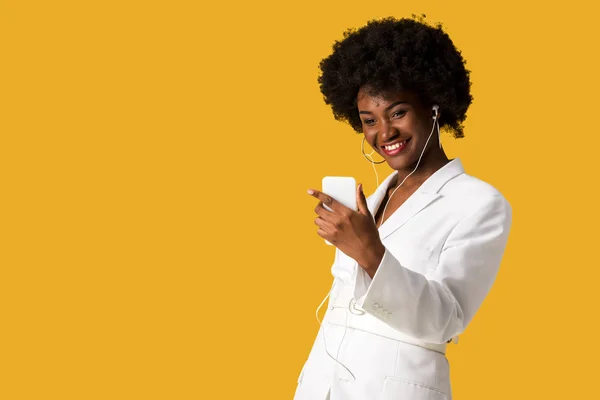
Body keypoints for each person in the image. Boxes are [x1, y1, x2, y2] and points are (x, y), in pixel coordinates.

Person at [294, 15, 512, 400]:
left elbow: (445, 320)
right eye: (369, 120)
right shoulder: (374, 199)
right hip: (322, 387)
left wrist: (371, 254)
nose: (384, 133)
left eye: (397, 113)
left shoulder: (480, 204)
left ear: (434, 107)